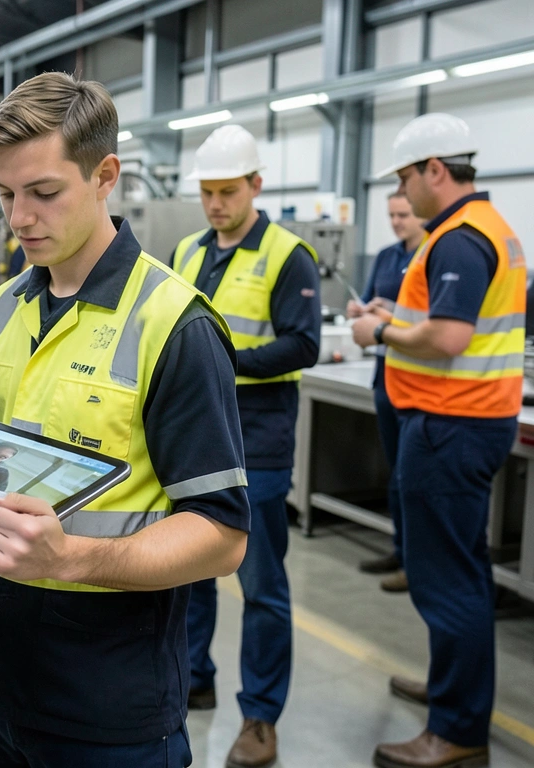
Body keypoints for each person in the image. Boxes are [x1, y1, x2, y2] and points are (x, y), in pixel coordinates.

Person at [0, 73, 250, 768]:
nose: (20, 218)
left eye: (44, 192)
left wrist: (71, 558)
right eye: (6, 195)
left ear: (104, 176)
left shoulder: (173, 325)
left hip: (109, 703)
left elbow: (221, 536)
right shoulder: (2, 310)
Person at [352, 112, 524, 768]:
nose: (403, 192)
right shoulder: (484, 229)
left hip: (451, 425)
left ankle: (454, 730)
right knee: (463, 570)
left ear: (436, 170)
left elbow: (450, 340)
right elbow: (452, 322)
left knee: (446, 580)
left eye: (405, 177)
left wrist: (380, 333)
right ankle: (454, 690)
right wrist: (401, 315)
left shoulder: (456, 237)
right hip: (472, 422)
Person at [174, 123, 321, 768]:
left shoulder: (289, 255)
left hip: (258, 441)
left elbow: (303, 343)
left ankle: (260, 715)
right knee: (192, 568)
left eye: (227, 191)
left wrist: (224, 361)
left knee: (260, 584)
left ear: (256, 186)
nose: (215, 204)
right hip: (196, 440)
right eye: (207, 192)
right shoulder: (186, 250)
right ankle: (193, 677)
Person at [348, 192, 425, 593]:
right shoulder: (387, 257)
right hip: (387, 377)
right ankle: (402, 550)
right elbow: (371, 300)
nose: (397, 221)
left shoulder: (433, 255)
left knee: (413, 479)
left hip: (420, 385)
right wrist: (362, 311)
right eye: (392, 215)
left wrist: (384, 320)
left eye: (403, 214)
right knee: (398, 475)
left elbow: (429, 326)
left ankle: (418, 564)